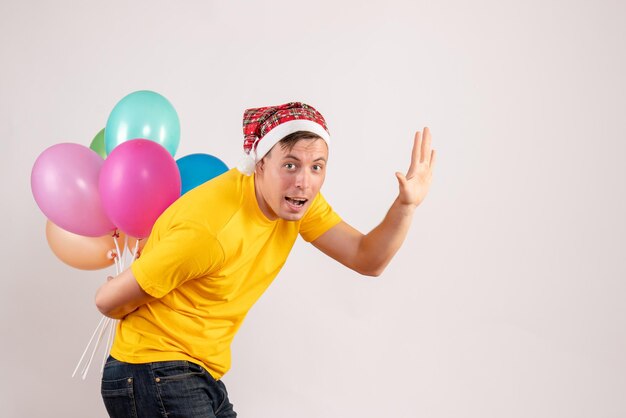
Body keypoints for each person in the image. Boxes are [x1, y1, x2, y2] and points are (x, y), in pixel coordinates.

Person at [95, 102, 436, 418]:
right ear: (260, 164)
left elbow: (367, 258)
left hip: (195, 371)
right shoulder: (211, 230)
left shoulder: (299, 203)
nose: (304, 182)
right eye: (290, 165)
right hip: (151, 368)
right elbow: (107, 301)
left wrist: (406, 206)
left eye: (316, 167)